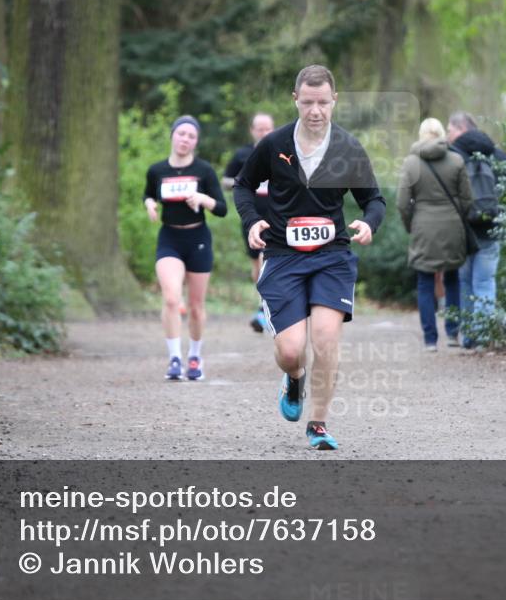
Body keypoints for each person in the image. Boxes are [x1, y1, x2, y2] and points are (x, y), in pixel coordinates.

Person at [234, 65, 384, 450]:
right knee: (290, 351)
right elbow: (244, 186)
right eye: (307, 102)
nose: (315, 111)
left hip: (331, 256)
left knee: (326, 338)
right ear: (295, 100)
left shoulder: (348, 148)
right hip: (283, 255)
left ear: (334, 101)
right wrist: (251, 221)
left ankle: (318, 423)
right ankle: (294, 377)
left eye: (322, 102)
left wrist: (369, 223)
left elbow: (373, 199)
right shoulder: (274, 144)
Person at [144, 115, 227, 381]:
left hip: (198, 239)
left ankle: (194, 356)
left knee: (196, 305)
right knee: (171, 298)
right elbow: (149, 193)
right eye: (181, 133)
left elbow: (222, 208)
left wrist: (203, 199)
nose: (185, 139)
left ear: (196, 142)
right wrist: (149, 204)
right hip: (169, 238)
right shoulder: (157, 170)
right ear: (173, 135)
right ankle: (174, 358)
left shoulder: (204, 170)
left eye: (191, 136)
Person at [396, 118, 473, 351]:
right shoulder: (456, 160)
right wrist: (457, 218)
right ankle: (452, 333)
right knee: (452, 279)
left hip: (423, 228)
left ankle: (430, 340)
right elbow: (467, 199)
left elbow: (402, 203)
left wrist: (411, 225)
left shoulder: (411, 163)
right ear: (441, 134)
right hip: (452, 227)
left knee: (425, 282)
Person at [447, 111, 506, 349]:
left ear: (461, 129)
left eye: (450, 130)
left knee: (465, 282)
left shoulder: (453, 156)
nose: (448, 135)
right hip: (492, 228)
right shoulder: (497, 153)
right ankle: (484, 337)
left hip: (463, 229)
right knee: (485, 282)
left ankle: (469, 336)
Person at [223, 112, 276, 333]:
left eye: (267, 129)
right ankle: (263, 302)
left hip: (275, 217)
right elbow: (225, 180)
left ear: (273, 129)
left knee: (266, 259)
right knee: (256, 266)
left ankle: (264, 310)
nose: (264, 132)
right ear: (252, 131)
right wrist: (244, 181)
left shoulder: (282, 152)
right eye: (259, 129)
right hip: (250, 217)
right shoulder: (242, 155)